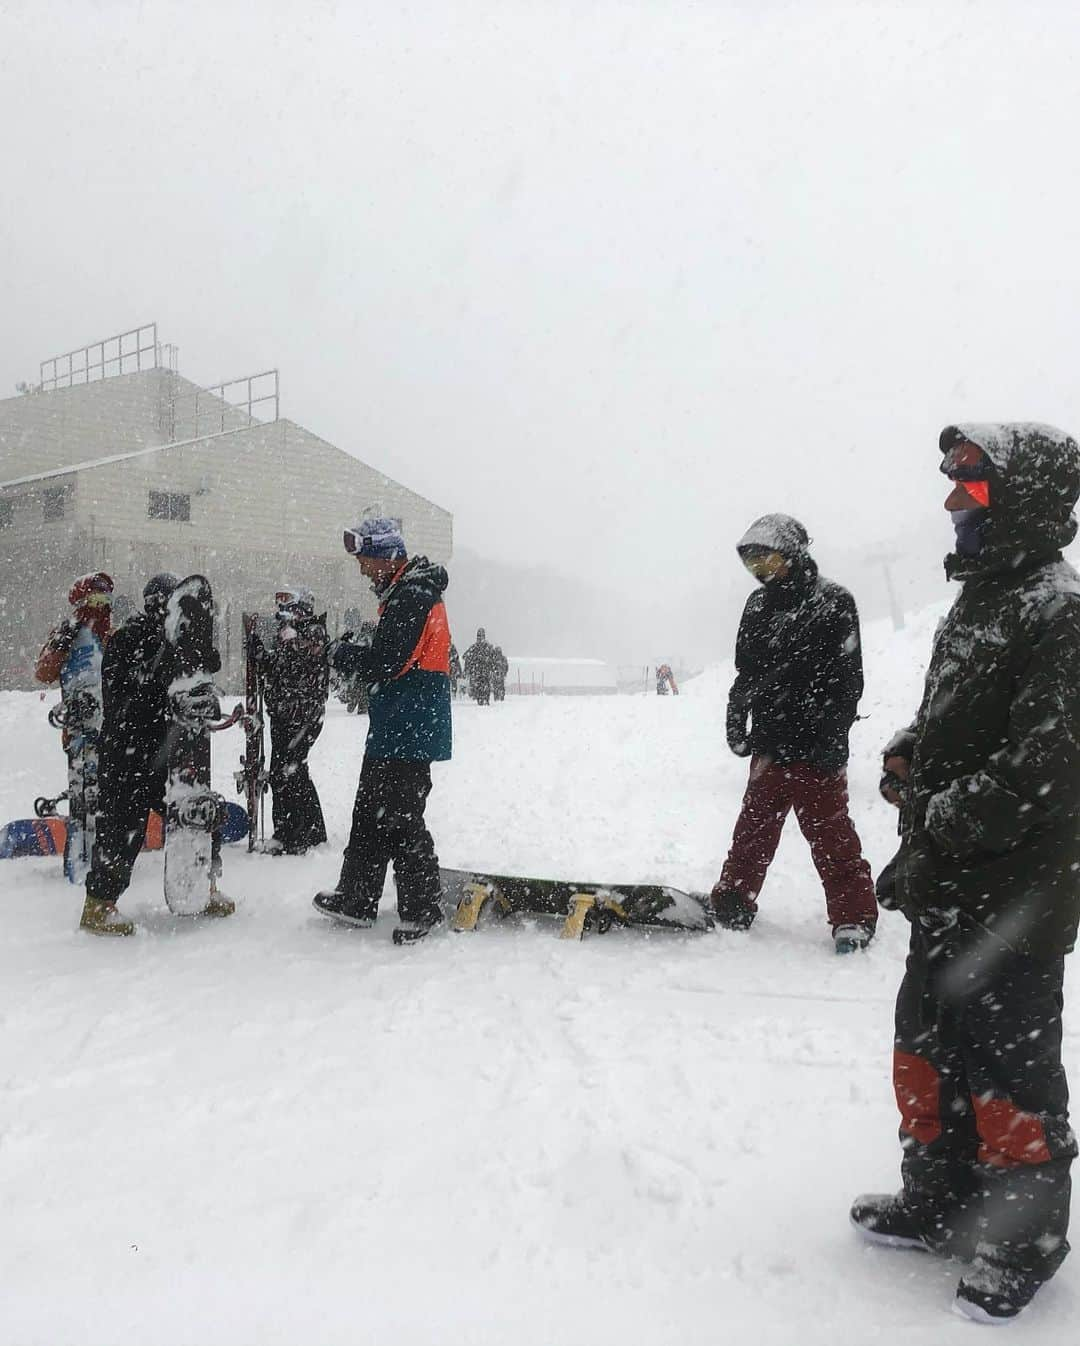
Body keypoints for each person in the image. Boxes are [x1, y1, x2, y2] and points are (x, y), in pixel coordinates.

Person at [851, 424, 1080, 1325]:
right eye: (955, 491)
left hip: (1016, 893)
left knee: (1008, 1070)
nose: (954, 508)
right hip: (949, 885)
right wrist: (913, 752)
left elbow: (1051, 761)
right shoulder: (984, 601)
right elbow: (955, 719)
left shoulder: (1059, 611)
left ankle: (1021, 1243)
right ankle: (940, 1200)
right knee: (929, 1048)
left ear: (1019, 504)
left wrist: (940, 819)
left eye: (973, 493)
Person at [711, 514, 877, 953]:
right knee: (752, 831)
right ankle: (733, 901)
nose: (761, 573)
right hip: (770, 743)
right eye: (753, 566)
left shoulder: (834, 602)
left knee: (832, 838)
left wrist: (828, 734)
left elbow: (848, 680)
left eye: (767, 561)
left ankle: (854, 917)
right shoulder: (758, 606)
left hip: (816, 747)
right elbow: (746, 673)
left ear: (793, 554)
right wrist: (736, 713)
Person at [314, 518, 452, 942]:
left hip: (410, 727)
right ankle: (356, 898)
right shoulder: (403, 593)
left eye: (364, 560)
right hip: (396, 724)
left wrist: (340, 652)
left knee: (400, 817)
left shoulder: (413, 595)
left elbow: (388, 661)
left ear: (386, 555)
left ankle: (423, 910)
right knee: (370, 813)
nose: (361, 569)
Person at [80, 574, 176, 934]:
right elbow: (126, 698)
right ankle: (98, 906)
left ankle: (202, 886)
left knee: (192, 813)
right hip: (127, 753)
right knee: (122, 828)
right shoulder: (130, 638)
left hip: (162, 751)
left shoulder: (174, 640)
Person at [35, 572, 114, 889]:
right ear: (82, 602)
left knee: (104, 796)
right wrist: (58, 647)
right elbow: (43, 673)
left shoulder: (111, 636)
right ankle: (79, 865)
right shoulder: (69, 633)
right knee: (83, 799)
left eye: (106, 600)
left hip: (110, 728)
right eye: (95, 599)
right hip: (79, 730)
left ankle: (105, 861)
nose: (101, 607)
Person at [254, 587, 329, 855]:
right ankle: (304, 829)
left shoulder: (312, 632)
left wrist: (286, 646)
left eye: (288, 606)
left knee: (289, 773)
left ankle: (296, 833)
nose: (282, 612)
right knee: (288, 772)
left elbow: (300, 664)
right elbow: (279, 669)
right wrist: (264, 656)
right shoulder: (289, 633)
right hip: (285, 715)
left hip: (302, 717)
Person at [463, 628, 495, 705]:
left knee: (483, 686)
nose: (480, 638)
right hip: (479, 671)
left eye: (481, 636)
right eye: (479, 636)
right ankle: (482, 700)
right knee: (480, 686)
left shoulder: (482, 647)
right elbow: (465, 656)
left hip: (482, 671)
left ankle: (484, 700)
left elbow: (493, 659)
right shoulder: (480, 647)